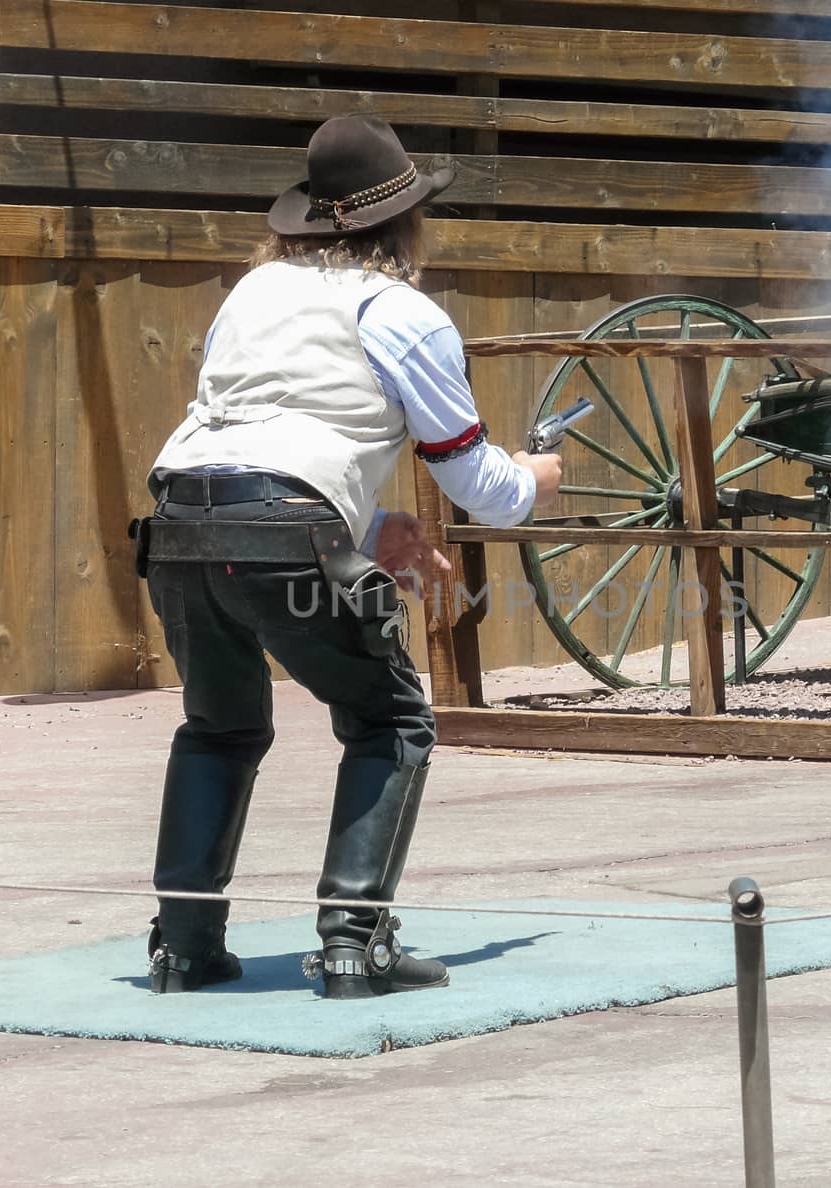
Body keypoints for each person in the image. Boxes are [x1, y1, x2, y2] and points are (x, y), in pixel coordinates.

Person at [136, 114, 561, 998]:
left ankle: (182, 945)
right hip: (285, 525)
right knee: (391, 718)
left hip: (178, 519)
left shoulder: (248, 295)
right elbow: (477, 483)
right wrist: (533, 482)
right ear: (403, 222)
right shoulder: (404, 313)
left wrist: (368, 532)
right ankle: (351, 943)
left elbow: (246, 450)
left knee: (219, 727)